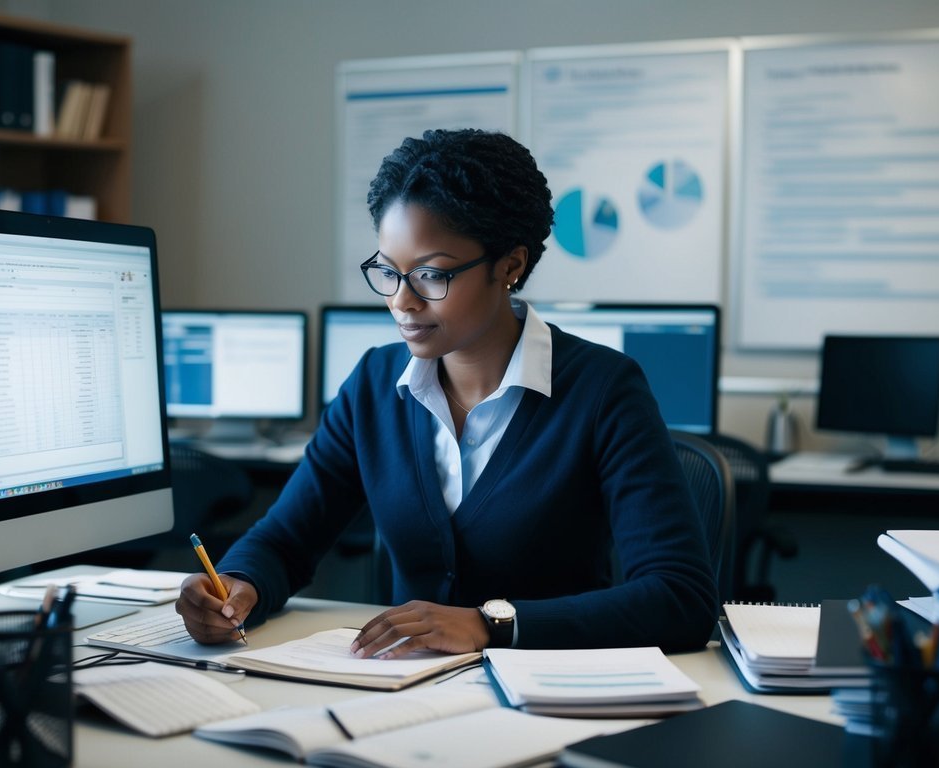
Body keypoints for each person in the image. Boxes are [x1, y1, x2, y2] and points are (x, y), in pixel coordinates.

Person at [176, 128, 716, 656]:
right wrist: (238, 584)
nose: (402, 303)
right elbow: (284, 541)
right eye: (388, 272)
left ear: (510, 265)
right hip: (399, 699)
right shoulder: (373, 385)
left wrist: (491, 625)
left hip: (550, 698)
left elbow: (680, 598)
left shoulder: (603, 390)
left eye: (431, 276)